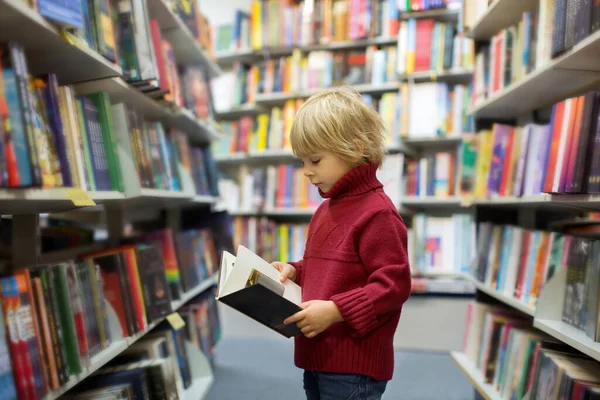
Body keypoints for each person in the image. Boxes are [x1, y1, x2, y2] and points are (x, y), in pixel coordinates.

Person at [271, 86, 412, 400]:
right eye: (302, 161)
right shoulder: (326, 209)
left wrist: (335, 311)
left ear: (356, 148)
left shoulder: (378, 213)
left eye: (316, 160)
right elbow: (333, 268)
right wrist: (296, 271)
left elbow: (393, 285)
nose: (306, 172)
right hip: (317, 353)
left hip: (353, 364)